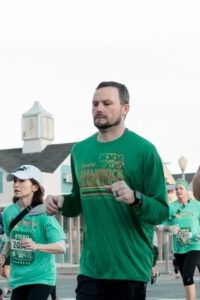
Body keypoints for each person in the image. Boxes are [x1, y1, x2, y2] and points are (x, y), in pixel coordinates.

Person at [45, 81, 169, 300]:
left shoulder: (144, 150)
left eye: (107, 103)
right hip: (91, 269)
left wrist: (135, 197)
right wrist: (61, 202)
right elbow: (77, 202)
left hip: (129, 269)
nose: (99, 108)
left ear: (125, 108)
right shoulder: (80, 151)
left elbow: (160, 211)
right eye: (95, 103)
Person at [0, 165, 66, 300]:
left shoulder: (44, 213)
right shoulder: (8, 211)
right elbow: (10, 238)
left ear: (35, 187)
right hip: (18, 278)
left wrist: (36, 246)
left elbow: (61, 247)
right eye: (15, 180)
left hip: (41, 277)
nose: (16, 184)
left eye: (22, 181)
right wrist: (3, 255)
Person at [164, 179, 200, 300]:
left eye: (181, 188)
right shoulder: (171, 207)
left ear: (186, 190)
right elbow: (160, 225)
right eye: (177, 189)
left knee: (188, 276)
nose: (178, 191)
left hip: (195, 245)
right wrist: (169, 228)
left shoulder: (196, 205)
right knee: (185, 279)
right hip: (178, 247)